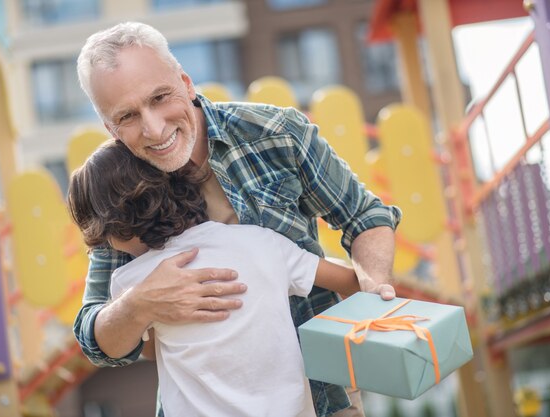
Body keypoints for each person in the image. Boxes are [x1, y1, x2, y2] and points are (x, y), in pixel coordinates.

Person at [74, 21, 402, 417]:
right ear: (109, 128)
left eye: (160, 97)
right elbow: (96, 338)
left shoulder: (275, 133)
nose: (154, 128)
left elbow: (363, 215)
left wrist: (375, 291)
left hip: (318, 396)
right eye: (127, 116)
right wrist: (140, 306)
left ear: (186, 83)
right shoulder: (120, 186)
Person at [68, 140, 363, 417]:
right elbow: (349, 281)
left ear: (115, 230)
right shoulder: (263, 242)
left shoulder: (131, 281)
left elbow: (150, 351)